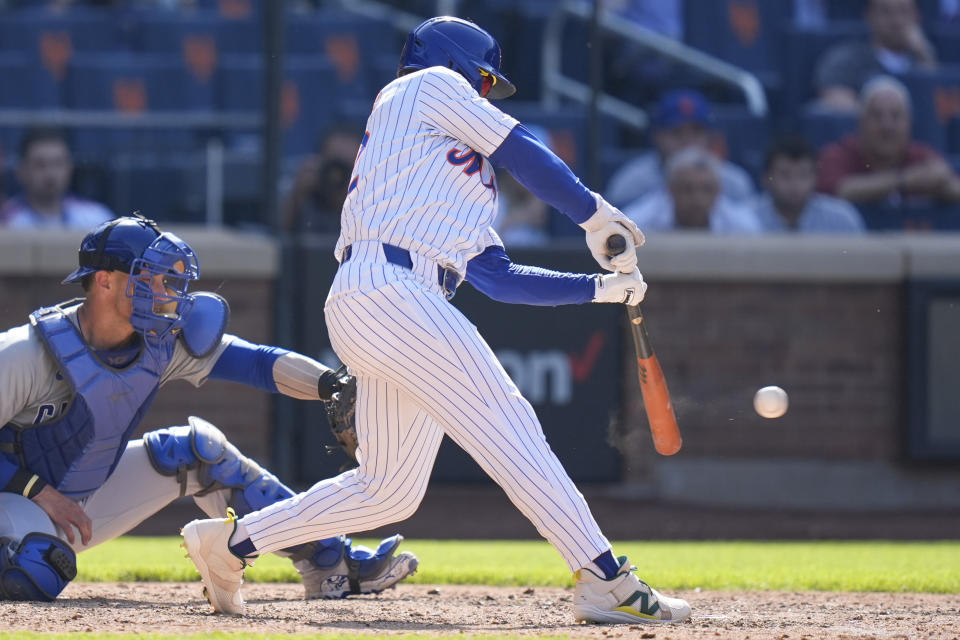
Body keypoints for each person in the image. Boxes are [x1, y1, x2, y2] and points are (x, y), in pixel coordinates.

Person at [181, 16, 691, 626]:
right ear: (455, 62)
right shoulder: (425, 86)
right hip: (390, 288)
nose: (483, 91)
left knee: (388, 488)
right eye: (482, 78)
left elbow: (499, 278)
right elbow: (523, 151)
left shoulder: (453, 180)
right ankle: (606, 580)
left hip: (388, 297)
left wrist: (602, 291)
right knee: (510, 424)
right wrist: (594, 213)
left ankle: (229, 545)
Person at [0, 215, 417, 602]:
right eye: (153, 278)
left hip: (75, 502)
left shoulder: (158, 342)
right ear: (106, 281)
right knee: (35, 570)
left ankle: (333, 565)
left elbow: (256, 362)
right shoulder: (26, 353)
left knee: (197, 452)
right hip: (12, 501)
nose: (166, 291)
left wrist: (332, 385)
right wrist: (36, 491)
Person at [817, 75, 960, 207]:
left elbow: (952, 185)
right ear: (861, 122)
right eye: (877, 115)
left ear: (909, 123)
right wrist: (904, 181)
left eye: (896, 116)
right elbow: (838, 191)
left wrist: (940, 181)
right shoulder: (839, 153)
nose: (887, 126)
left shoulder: (921, 155)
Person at [605, 88, 756, 209]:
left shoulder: (734, 183)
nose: (687, 140)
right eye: (676, 132)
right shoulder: (632, 183)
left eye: (696, 132)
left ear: (709, 137)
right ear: (658, 136)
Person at [814, 0, 937, 112]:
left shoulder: (923, 61)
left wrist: (924, 55)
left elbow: (935, 106)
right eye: (886, 11)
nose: (896, 20)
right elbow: (835, 98)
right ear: (868, 16)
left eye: (903, 11)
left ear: (917, 16)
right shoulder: (845, 60)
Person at [624, 148, 762, 233]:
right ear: (670, 190)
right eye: (687, 189)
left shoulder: (743, 226)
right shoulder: (638, 224)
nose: (697, 199)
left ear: (718, 190)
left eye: (706, 189)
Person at [0, 127, 114, 230]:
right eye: (40, 165)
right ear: (21, 171)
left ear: (70, 168)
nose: (50, 174)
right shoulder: (6, 221)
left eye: (58, 164)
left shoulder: (98, 218)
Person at [753, 136, 865, 233]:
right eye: (785, 175)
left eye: (803, 175)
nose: (794, 184)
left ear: (816, 178)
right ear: (766, 179)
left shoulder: (842, 219)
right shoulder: (748, 217)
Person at [280, 123, 363, 234]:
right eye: (335, 166)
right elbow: (274, 240)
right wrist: (296, 198)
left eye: (348, 168)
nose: (339, 175)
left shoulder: (371, 205)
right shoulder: (306, 198)